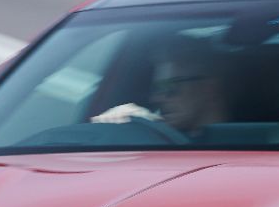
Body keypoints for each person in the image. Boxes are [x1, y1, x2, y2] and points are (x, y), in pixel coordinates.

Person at [90, 35, 231, 138]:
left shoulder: (237, 149)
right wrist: (115, 126)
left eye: (170, 87)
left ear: (208, 89)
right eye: (157, 89)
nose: (156, 98)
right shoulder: (154, 140)